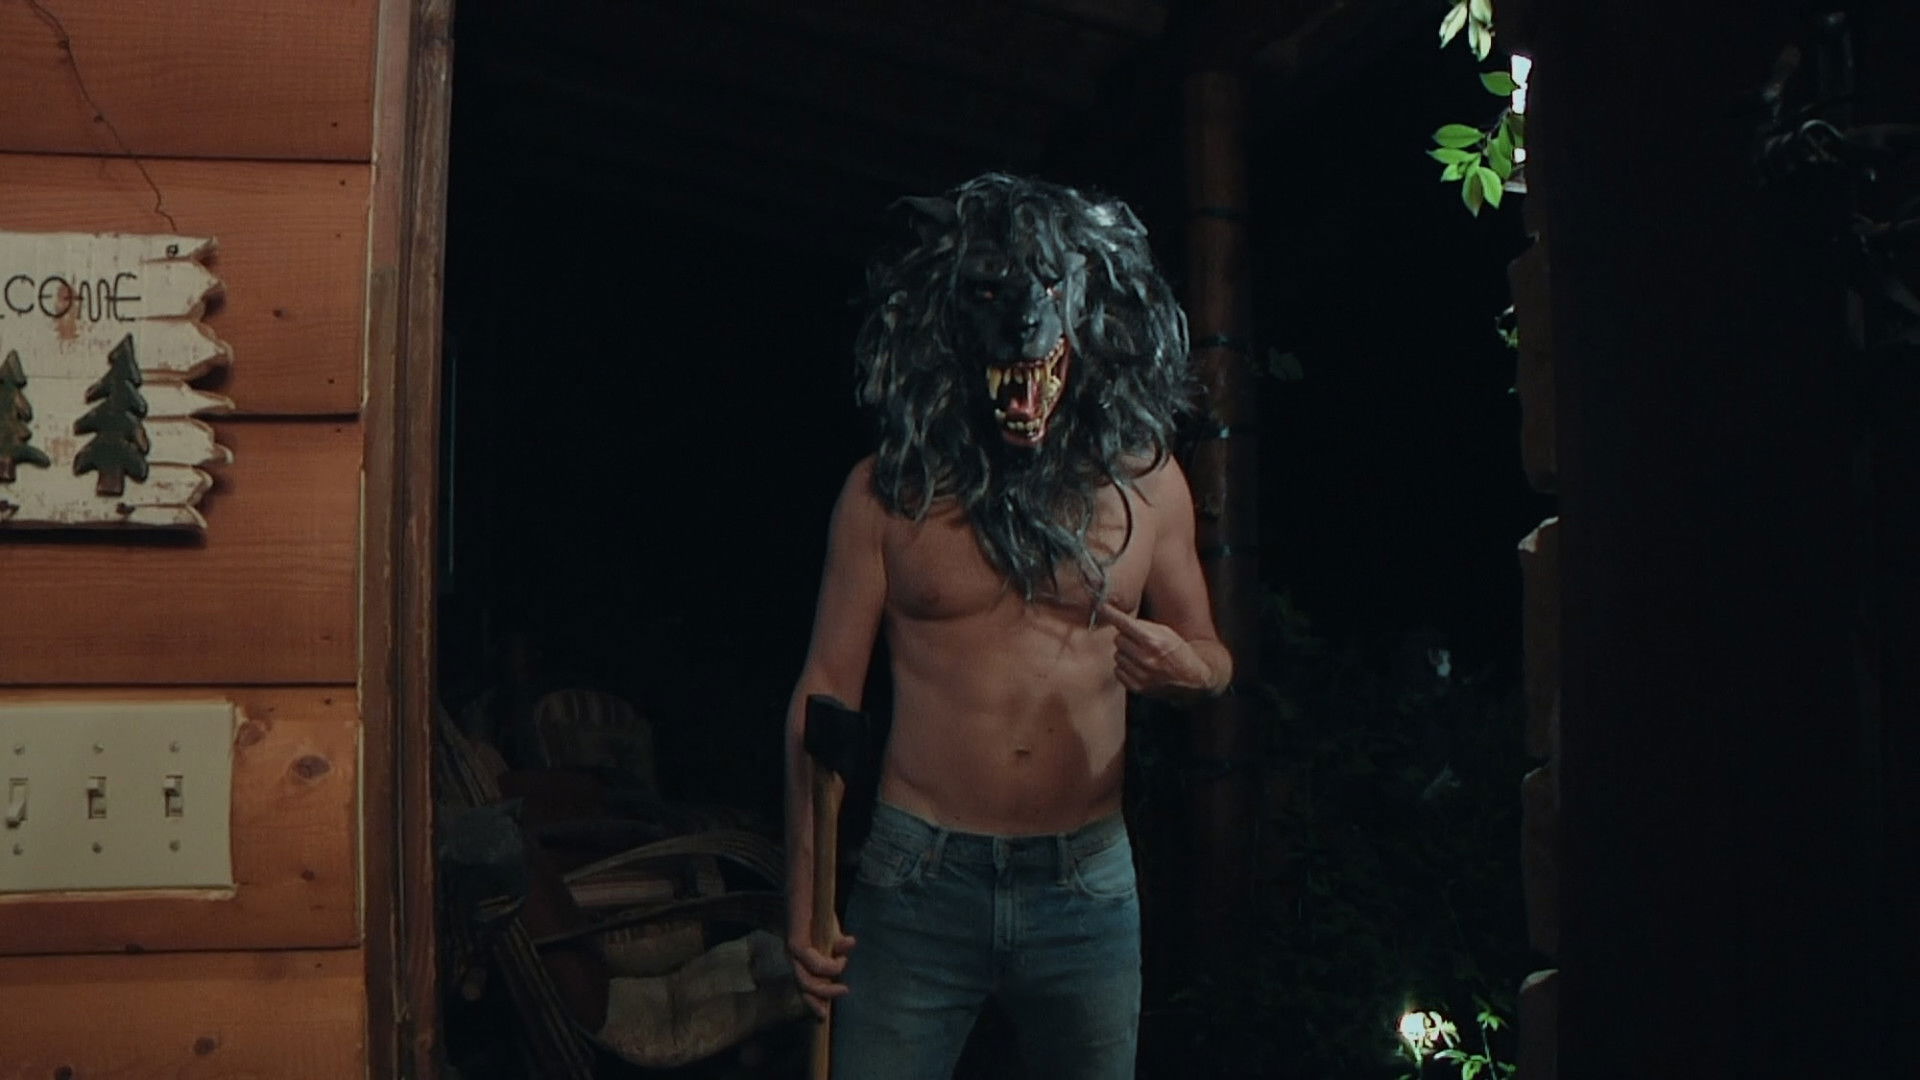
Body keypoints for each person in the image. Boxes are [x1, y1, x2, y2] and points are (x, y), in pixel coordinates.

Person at [783, 174, 1232, 1079]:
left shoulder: (1147, 483)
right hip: (919, 874)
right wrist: (804, 894)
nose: (1025, 317)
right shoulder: (887, 494)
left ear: (1089, 308)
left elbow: (1213, 655)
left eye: (1051, 286)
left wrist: (1190, 671)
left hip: (1085, 881)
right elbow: (824, 694)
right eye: (991, 290)